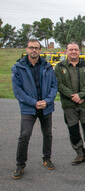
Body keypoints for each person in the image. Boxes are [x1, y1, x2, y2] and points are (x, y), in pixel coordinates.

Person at [11, 39, 58, 179]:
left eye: (36, 48)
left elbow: (54, 86)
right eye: (31, 47)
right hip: (28, 108)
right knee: (25, 135)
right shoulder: (18, 67)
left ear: (40, 49)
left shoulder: (48, 66)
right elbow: (17, 91)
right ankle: (20, 164)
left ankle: (47, 158)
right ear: (27, 49)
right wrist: (34, 102)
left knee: (48, 134)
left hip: (45, 106)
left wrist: (47, 101)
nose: (34, 50)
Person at [55, 42, 85, 166]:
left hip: (84, 104)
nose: (73, 52)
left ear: (79, 51)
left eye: (76, 49)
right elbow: (58, 84)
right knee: (73, 130)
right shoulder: (60, 67)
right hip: (69, 105)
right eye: (71, 50)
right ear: (66, 51)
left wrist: (80, 95)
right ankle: (80, 154)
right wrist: (73, 97)